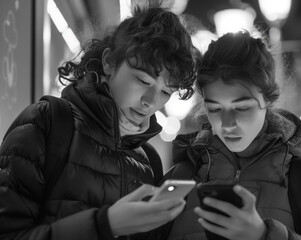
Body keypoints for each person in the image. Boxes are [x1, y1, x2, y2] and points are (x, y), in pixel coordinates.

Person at [0, 3, 199, 240]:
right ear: (109, 62)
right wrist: (106, 224)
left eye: (166, 92)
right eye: (143, 81)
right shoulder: (48, 120)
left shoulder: (149, 159)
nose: (151, 102)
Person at [163, 31, 301, 240]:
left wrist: (265, 235)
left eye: (242, 108)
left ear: (268, 100)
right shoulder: (178, 181)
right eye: (215, 109)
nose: (227, 124)